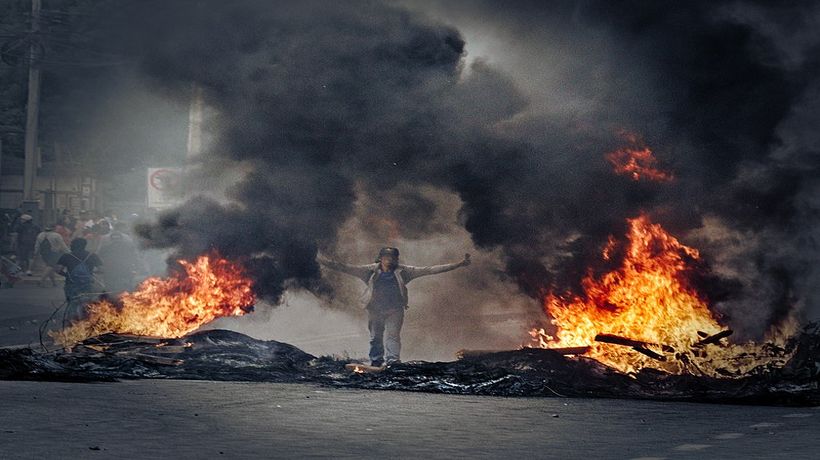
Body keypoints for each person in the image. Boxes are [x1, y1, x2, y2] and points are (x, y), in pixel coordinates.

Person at [320, 247, 471, 367]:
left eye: (392, 257)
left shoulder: (404, 272)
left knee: (393, 336)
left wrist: (459, 264)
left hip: (395, 310)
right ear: (380, 258)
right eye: (386, 257)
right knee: (375, 338)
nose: (389, 260)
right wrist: (319, 259)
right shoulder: (369, 271)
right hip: (375, 310)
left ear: (396, 259)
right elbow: (344, 267)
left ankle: (393, 362)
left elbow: (430, 269)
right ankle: (376, 361)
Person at [57, 238, 103, 315]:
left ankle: (71, 322)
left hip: (71, 284)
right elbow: (102, 269)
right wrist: (92, 273)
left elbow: (58, 270)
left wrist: (67, 275)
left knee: (72, 304)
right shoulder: (92, 255)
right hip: (87, 284)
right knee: (87, 304)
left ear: (73, 245)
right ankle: (85, 323)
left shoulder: (67, 256)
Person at [97, 222, 140, 295]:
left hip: (109, 265)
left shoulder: (105, 238)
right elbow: (133, 252)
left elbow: (100, 252)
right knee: (126, 283)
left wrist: (100, 264)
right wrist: (136, 263)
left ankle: (110, 297)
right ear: (121, 228)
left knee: (109, 283)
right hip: (124, 264)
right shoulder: (127, 238)